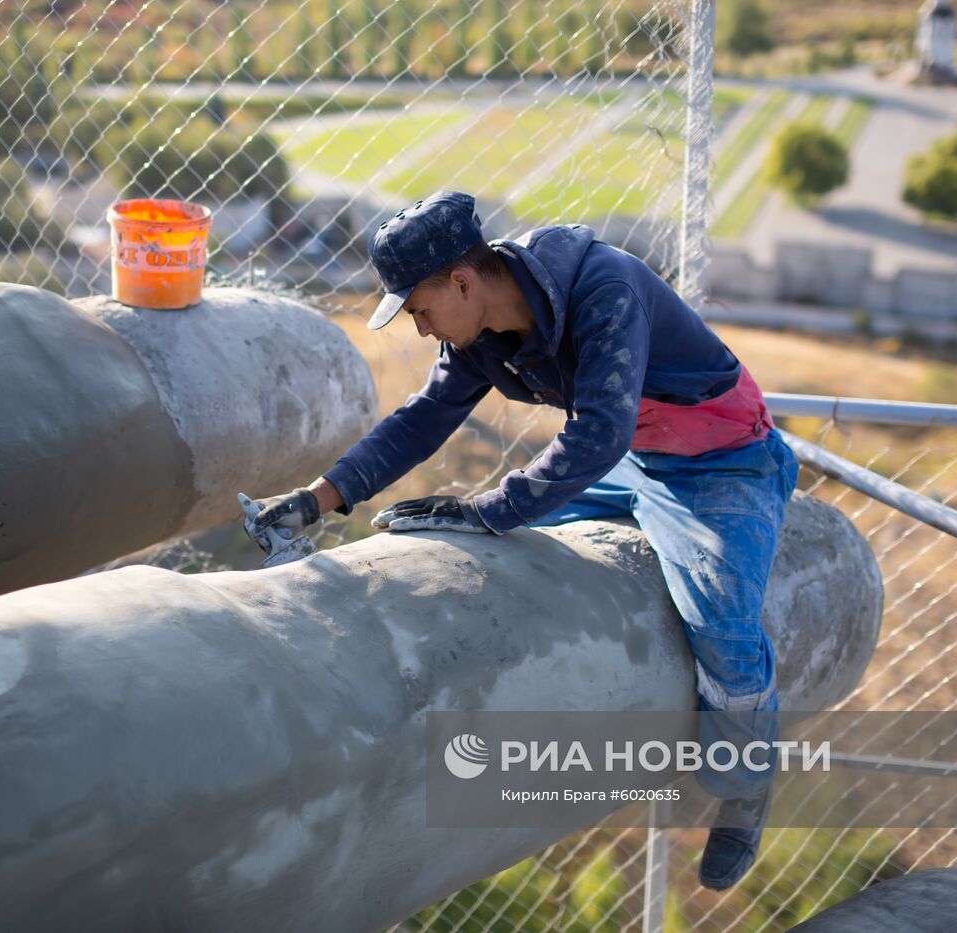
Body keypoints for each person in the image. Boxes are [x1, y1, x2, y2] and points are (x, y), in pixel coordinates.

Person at [250, 189, 800, 890]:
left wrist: (494, 505)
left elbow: (597, 432)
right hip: (634, 454)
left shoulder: (605, 288)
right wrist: (318, 499)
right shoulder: (478, 335)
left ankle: (749, 777)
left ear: (462, 282)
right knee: (475, 532)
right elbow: (423, 418)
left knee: (720, 620)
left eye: (419, 310)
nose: (420, 330)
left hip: (718, 460)